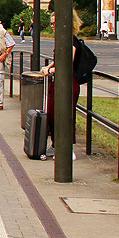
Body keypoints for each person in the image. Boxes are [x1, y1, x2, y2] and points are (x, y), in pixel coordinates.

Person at [40, 10, 83, 159]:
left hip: (68, 83)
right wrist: (50, 66)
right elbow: (59, 59)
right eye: (51, 23)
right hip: (57, 82)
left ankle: (67, 148)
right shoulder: (62, 39)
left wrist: (52, 70)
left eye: (55, 23)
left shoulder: (71, 40)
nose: (52, 26)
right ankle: (56, 144)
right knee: (52, 114)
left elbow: (67, 63)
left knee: (65, 115)